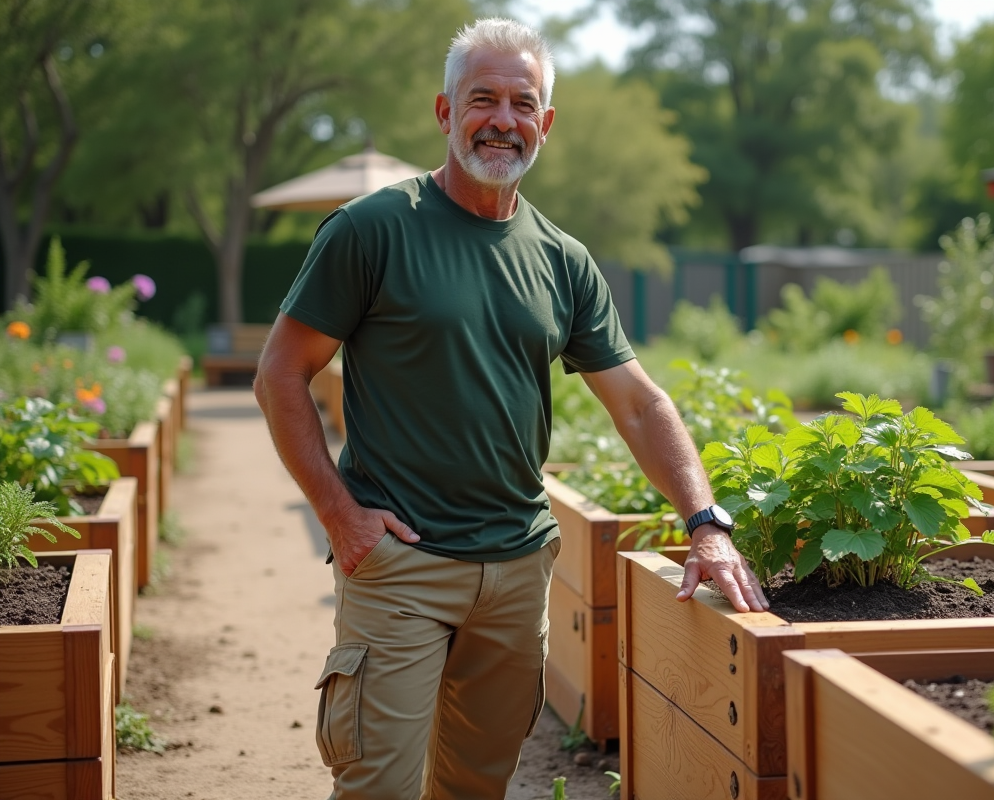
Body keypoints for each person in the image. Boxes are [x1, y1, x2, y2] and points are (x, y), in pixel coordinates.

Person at [254, 17, 767, 800]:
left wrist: (706, 524)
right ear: (444, 112)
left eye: (522, 103)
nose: (502, 120)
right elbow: (281, 374)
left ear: (546, 122)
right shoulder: (374, 229)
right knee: (378, 788)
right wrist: (337, 512)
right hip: (401, 568)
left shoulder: (563, 259)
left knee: (476, 789)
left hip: (518, 571)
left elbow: (637, 404)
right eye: (482, 99)